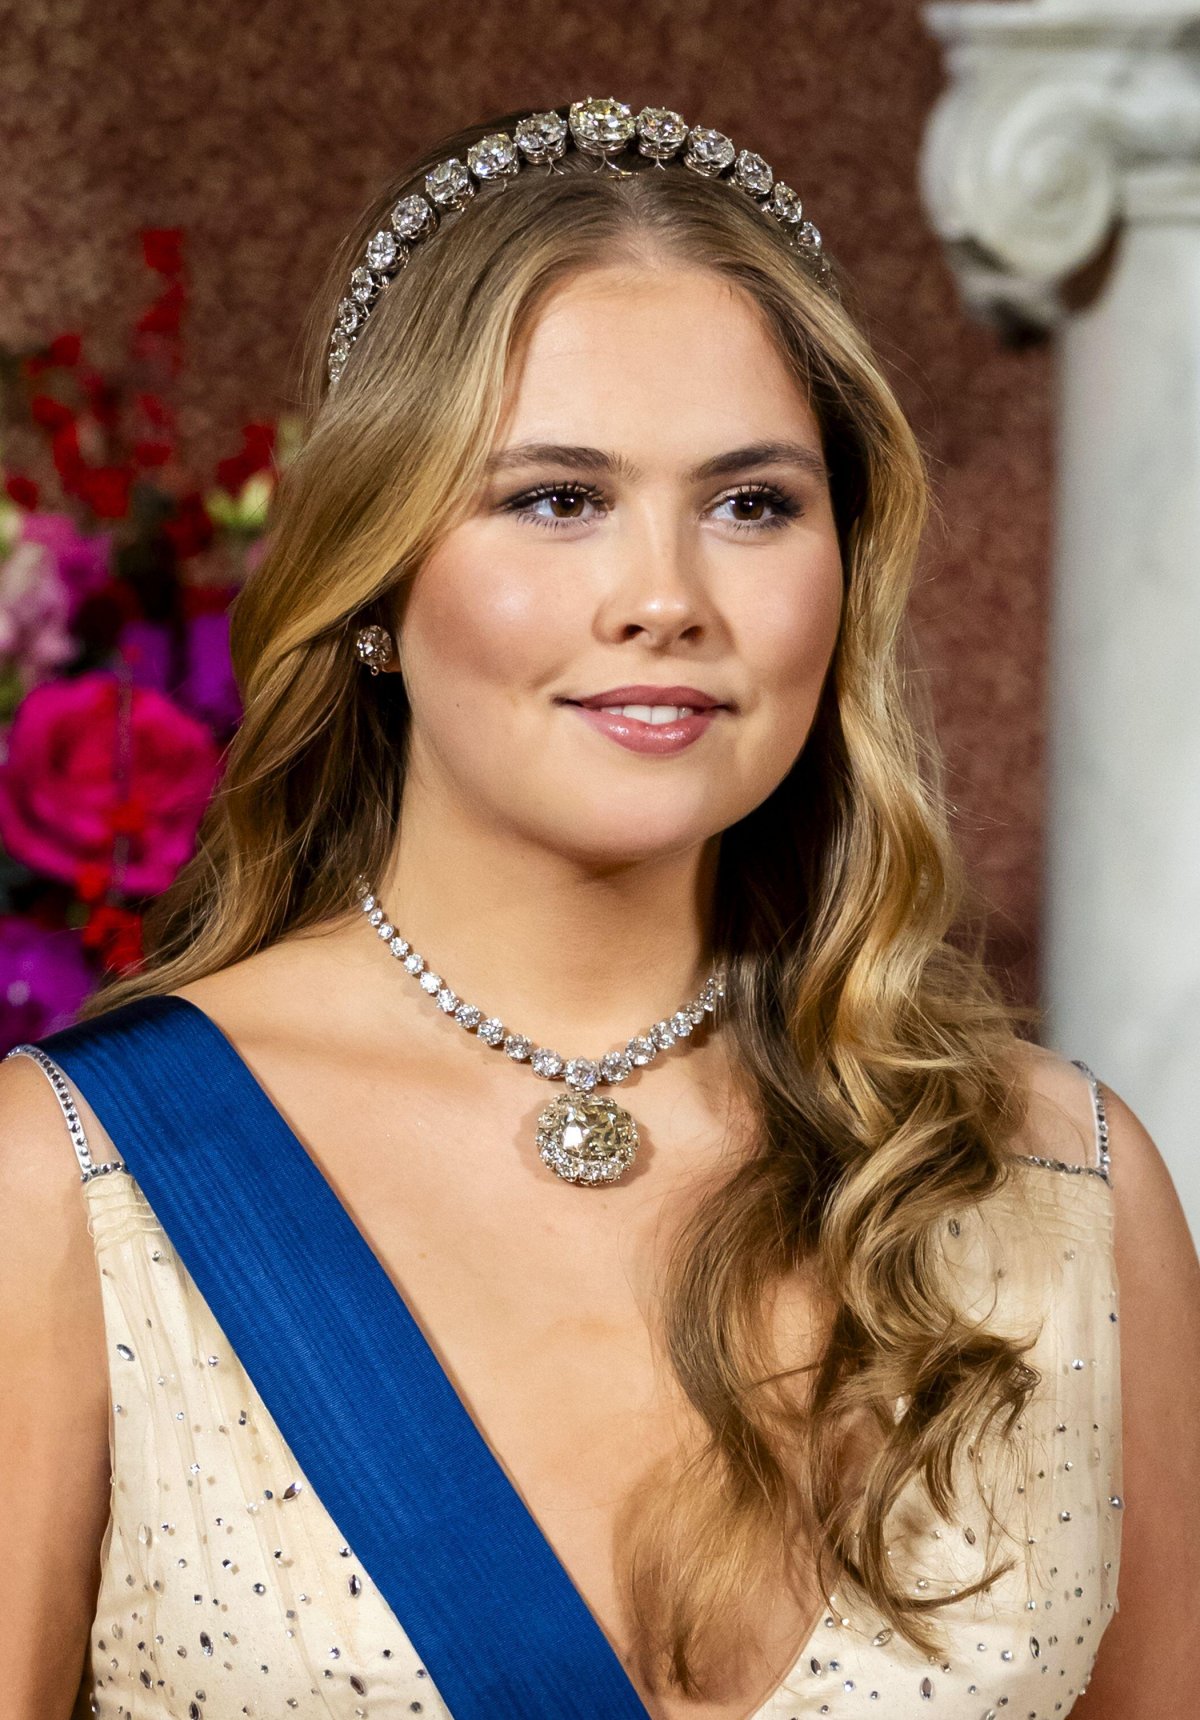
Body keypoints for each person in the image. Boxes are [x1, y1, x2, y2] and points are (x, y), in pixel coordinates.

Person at [1, 97, 1197, 1720]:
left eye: (754, 503)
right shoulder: (75, 1182)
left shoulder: (1063, 1185)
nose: (667, 599)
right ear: (377, 572)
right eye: (558, 497)